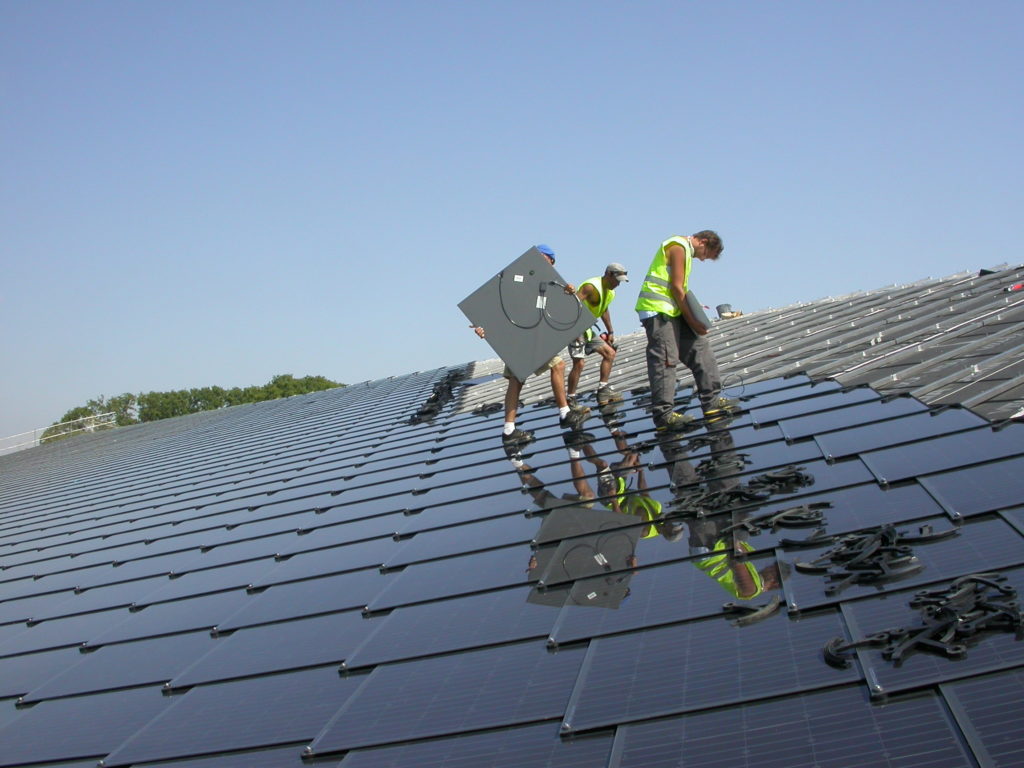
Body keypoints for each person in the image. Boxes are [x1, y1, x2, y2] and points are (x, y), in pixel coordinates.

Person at [472, 244, 589, 447]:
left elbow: (562, 309)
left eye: (547, 260)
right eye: (541, 258)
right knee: (558, 364)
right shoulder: (518, 279)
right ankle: (564, 413)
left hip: (526, 338)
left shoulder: (548, 284)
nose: (544, 263)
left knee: (517, 381)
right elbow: (497, 301)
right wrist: (481, 325)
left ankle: (509, 431)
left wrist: (570, 291)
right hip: (519, 338)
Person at [635, 231, 738, 431]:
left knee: (701, 349)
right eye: (706, 254)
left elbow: (680, 289)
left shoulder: (685, 252)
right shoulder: (677, 246)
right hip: (658, 312)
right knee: (666, 359)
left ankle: (712, 402)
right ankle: (664, 416)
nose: (703, 259)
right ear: (703, 241)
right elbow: (676, 287)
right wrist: (693, 320)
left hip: (672, 311)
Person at [566, 263, 628, 406]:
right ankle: (570, 399)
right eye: (617, 280)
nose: (618, 284)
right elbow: (572, 305)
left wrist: (610, 331)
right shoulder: (591, 286)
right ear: (608, 274)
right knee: (579, 363)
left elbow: (604, 309)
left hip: (587, 329)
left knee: (610, 353)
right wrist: (573, 329)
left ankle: (603, 390)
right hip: (576, 328)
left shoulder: (610, 292)